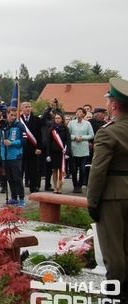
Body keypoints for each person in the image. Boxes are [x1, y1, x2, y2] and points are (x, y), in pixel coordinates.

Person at [87, 77, 128, 302]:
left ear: (114, 105)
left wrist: (92, 202)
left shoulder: (108, 132)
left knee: (114, 255)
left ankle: (115, 296)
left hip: (112, 198)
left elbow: (98, 171)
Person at [0, 107, 25, 206]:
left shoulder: (19, 126)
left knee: (17, 178)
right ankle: (13, 197)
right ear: (7, 114)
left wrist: (12, 143)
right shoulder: (3, 125)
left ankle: (21, 199)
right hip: (5, 156)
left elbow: (24, 140)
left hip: (15, 156)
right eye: (11, 115)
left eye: (15, 115)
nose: (13, 117)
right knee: (9, 178)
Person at [67, 107, 94, 193]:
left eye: (80, 112)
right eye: (77, 112)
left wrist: (82, 138)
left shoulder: (87, 124)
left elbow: (91, 135)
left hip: (84, 149)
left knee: (82, 169)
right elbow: (67, 134)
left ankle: (80, 184)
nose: (78, 113)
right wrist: (75, 137)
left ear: (83, 114)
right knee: (74, 169)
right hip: (74, 148)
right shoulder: (71, 123)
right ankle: (75, 185)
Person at [20, 102, 43, 193]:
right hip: (21, 148)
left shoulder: (36, 119)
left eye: (29, 107)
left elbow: (39, 135)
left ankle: (33, 187)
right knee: (20, 169)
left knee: (33, 169)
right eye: (26, 107)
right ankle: (19, 188)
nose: (28, 108)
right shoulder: (18, 119)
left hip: (33, 149)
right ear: (22, 109)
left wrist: (39, 148)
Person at [44, 113, 71, 194]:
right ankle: (55, 187)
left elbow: (68, 141)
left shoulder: (66, 129)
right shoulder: (51, 129)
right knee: (54, 170)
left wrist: (67, 152)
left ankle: (60, 187)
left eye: (59, 118)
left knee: (61, 170)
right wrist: (48, 154)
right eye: (56, 118)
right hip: (53, 152)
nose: (57, 119)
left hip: (62, 152)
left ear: (62, 119)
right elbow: (48, 142)